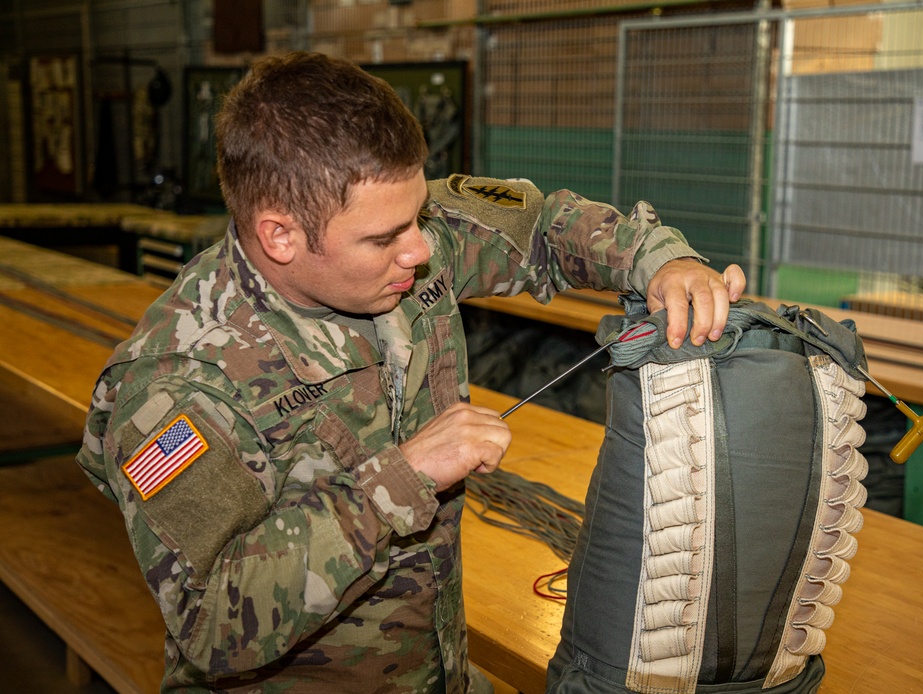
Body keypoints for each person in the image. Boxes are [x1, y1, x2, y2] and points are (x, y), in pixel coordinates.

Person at [77, 51, 746, 693]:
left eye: (417, 218)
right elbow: (214, 621)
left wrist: (659, 260)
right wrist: (402, 478)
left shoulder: (403, 234)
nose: (422, 249)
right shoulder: (175, 388)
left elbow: (540, 224)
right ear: (279, 235)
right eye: (383, 238)